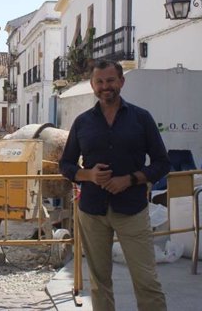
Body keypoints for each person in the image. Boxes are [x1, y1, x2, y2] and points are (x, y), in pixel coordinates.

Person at [59, 59, 170, 311]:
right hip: (92, 211)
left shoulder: (141, 118)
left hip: (132, 210)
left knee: (146, 280)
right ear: (92, 85)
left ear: (121, 82)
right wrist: (88, 175)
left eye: (110, 80)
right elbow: (65, 164)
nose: (105, 86)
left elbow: (162, 163)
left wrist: (130, 179)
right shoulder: (82, 122)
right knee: (98, 282)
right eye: (99, 82)